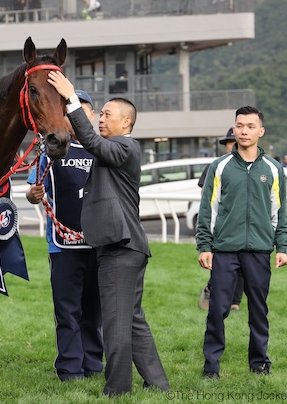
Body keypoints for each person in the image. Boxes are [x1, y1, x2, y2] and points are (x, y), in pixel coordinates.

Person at [47, 71, 170, 396]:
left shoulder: (124, 147)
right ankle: (158, 384)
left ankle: (117, 390)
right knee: (132, 320)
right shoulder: (116, 148)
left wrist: (70, 98)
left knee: (116, 324)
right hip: (126, 247)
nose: (100, 119)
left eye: (106, 114)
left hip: (120, 248)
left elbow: (90, 142)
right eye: (99, 114)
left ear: (126, 123)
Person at [197, 106, 287, 379]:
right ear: (234, 129)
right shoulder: (220, 167)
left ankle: (259, 363)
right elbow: (208, 210)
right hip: (224, 250)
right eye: (239, 126)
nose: (244, 131)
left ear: (261, 131)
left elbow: (279, 212)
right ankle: (211, 366)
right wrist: (204, 246)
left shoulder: (274, 169)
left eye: (250, 126)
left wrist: (283, 247)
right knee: (217, 309)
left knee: (259, 310)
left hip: (259, 251)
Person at [26, 89, 103, 382]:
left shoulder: (103, 149)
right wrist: (34, 194)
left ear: (91, 115)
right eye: (68, 111)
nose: (74, 116)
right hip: (63, 247)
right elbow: (34, 190)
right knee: (67, 311)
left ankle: (93, 364)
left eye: (80, 110)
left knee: (94, 309)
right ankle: (70, 368)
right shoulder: (51, 150)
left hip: (98, 245)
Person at [197, 128, 244, 312]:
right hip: (222, 226)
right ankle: (211, 289)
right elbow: (205, 196)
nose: (233, 146)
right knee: (221, 265)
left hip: (244, 226)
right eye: (230, 143)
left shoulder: (252, 166)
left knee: (242, 266)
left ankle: (235, 302)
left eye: (235, 142)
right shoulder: (215, 166)